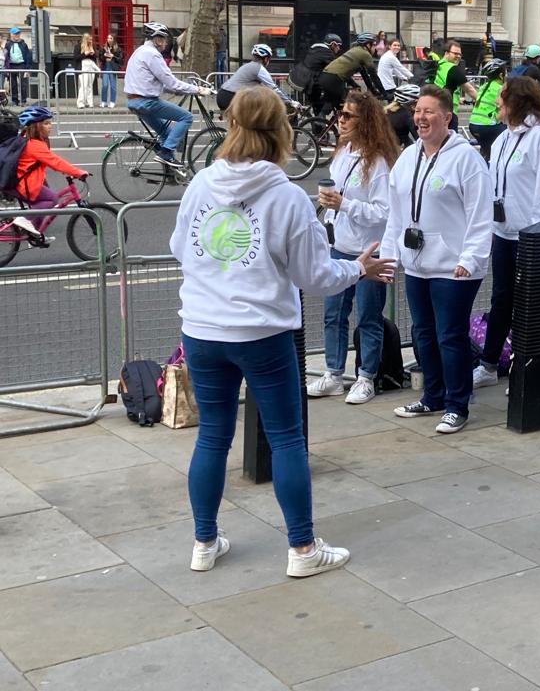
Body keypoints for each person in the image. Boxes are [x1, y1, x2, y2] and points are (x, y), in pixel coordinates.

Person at [169, 86, 395, 577]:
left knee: (212, 437)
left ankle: (204, 541)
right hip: (262, 332)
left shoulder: (202, 184)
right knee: (287, 439)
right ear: (281, 131)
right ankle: (302, 549)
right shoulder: (287, 197)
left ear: (231, 126)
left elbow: (180, 248)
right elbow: (315, 276)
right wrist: (358, 268)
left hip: (203, 329)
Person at [382, 84, 491, 434]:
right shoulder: (408, 157)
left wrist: (471, 258)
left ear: (447, 118)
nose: (420, 117)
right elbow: (396, 213)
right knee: (423, 333)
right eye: (417, 111)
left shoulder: (467, 159)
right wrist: (390, 255)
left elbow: (480, 214)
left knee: (450, 335)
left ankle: (457, 405)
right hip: (417, 264)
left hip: (454, 266)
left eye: (429, 111)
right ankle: (433, 396)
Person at [471, 76, 540, 390]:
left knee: (530, 306)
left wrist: (539, 237)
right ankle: (489, 364)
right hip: (504, 234)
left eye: (501, 96)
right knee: (501, 299)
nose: (496, 102)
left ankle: (528, 372)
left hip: (532, 239)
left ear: (517, 100)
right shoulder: (502, 139)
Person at [308, 90, 399, 404]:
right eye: (340, 113)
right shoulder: (343, 152)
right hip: (340, 245)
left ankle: (366, 376)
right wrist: (331, 206)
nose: (340, 120)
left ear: (366, 121)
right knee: (333, 314)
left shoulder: (378, 163)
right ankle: (333, 373)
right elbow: (339, 195)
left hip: (369, 250)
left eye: (348, 116)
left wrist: (345, 205)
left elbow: (384, 211)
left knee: (368, 316)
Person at [124, 21, 213, 169]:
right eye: (164, 39)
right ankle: (166, 153)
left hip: (133, 101)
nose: (166, 42)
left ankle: (170, 173)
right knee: (186, 117)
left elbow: (159, 83)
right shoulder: (153, 55)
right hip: (146, 102)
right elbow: (172, 83)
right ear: (157, 39)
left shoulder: (139, 52)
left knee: (166, 134)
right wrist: (197, 89)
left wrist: (180, 90)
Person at [8, 106, 89, 240]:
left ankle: (34, 234)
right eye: (46, 123)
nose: (50, 126)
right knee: (52, 199)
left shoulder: (27, 138)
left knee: (42, 203)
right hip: (23, 184)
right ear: (36, 126)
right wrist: (78, 172)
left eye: (50, 123)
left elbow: (48, 161)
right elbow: (56, 162)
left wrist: (65, 170)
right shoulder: (34, 145)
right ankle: (25, 219)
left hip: (22, 181)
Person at [216, 44, 299, 112]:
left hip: (222, 95)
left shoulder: (248, 66)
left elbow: (263, 88)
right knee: (262, 112)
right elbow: (274, 88)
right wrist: (290, 102)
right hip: (231, 97)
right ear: (266, 59)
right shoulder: (259, 68)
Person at [319, 32, 385, 110]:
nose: (375, 48)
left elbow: (365, 76)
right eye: (374, 44)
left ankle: (321, 116)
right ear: (367, 45)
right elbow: (374, 76)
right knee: (348, 104)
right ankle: (322, 116)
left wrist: (373, 91)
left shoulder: (355, 51)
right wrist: (384, 93)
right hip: (334, 79)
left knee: (335, 104)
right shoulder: (365, 54)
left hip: (326, 76)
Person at [290, 33, 342, 115]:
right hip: (311, 83)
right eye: (338, 46)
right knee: (331, 97)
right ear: (332, 44)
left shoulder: (316, 50)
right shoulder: (326, 53)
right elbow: (337, 69)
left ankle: (317, 120)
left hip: (301, 79)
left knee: (317, 106)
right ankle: (320, 118)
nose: (339, 48)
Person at [468, 58, 509, 162]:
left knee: (487, 150)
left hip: (473, 125)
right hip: (488, 126)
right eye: (506, 72)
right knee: (509, 135)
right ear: (501, 75)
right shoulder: (500, 88)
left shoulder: (483, 87)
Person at [433, 40, 478, 131]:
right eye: (455, 53)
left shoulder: (438, 66)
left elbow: (443, 85)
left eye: (460, 54)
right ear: (446, 53)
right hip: (448, 112)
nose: (458, 56)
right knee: (451, 139)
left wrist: (459, 99)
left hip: (434, 109)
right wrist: (483, 100)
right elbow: (470, 90)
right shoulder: (453, 69)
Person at [4, 28, 31, 106]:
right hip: (11, 66)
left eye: (18, 33)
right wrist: (6, 68)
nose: (17, 35)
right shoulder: (8, 44)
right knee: (13, 85)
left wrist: (28, 69)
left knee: (23, 84)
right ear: (11, 34)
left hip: (22, 65)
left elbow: (28, 56)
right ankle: (14, 100)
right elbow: (6, 56)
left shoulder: (23, 44)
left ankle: (23, 100)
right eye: (15, 34)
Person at [73, 33, 100, 109]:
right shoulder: (78, 46)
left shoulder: (92, 46)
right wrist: (85, 54)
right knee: (83, 85)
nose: (91, 41)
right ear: (86, 39)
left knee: (90, 86)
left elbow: (96, 57)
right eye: (89, 39)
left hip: (91, 67)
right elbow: (76, 57)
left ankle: (89, 102)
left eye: (91, 39)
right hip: (82, 67)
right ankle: (80, 102)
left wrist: (92, 53)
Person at [100, 34, 123, 109]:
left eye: (110, 38)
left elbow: (120, 60)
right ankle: (104, 101)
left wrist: (113, 56)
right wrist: (104, 55)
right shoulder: (104, 48)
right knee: (105, 85)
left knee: (113, 86)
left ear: (114, 40)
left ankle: (112, 101)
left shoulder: (118, 49)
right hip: (105, 68)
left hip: (113, 68)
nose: (108, 39)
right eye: (108, 38)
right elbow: (100, 58)